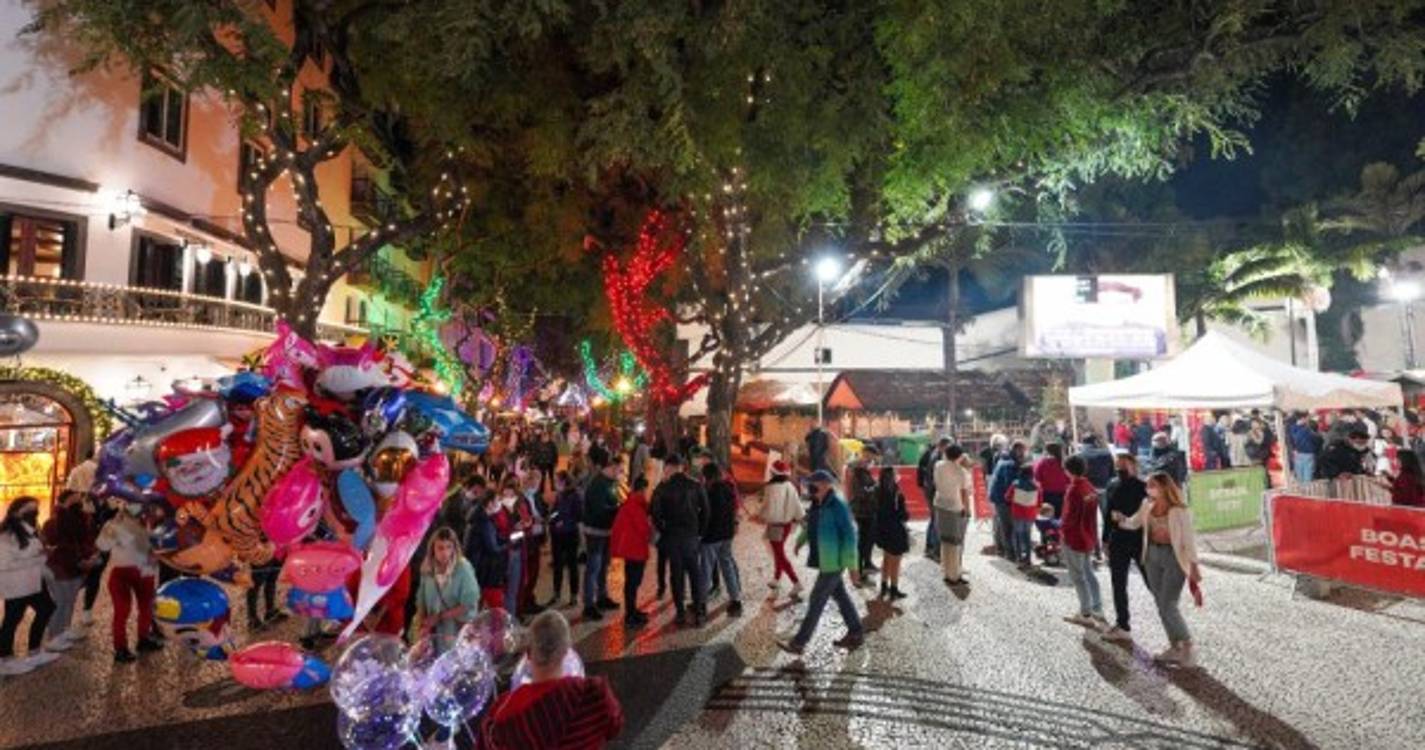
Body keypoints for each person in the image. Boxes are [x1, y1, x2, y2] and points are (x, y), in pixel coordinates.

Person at [483, 611, 624, 749]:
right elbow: (614, 727)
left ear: (528, 653)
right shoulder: (595, 695)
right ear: (566, 652)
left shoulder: (501, 714)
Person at [1112, 472, 1203, 667]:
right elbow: (1134, 523)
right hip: (1151, 556)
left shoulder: (1180, 510)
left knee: (1168, 603)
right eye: (1148, 485)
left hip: (1174, 557)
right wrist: (1122, 519)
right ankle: (1174, 647)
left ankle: (1187, 645)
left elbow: (1189, 540)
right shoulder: (1147, 505)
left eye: (1153, 485)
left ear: (1164, 487)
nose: (1149, 488)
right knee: (1161, 604)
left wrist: (1194, 566)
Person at [778, 470, 864, 654]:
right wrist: (800, 542)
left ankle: (799, 643)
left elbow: (850, 536)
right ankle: (856, 632)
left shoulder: (838, 506)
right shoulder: (818, 504)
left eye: (814, 484)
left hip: (834, 562)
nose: (811, 488)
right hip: (825, 559)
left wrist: (853, 567)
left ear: (825, 485)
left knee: (816, 599)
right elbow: (811, 525)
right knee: (840, 595)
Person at [96, 499, 163, 663]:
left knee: (147, 608)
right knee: (122, 610)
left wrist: (158, 552)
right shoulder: (116, 524)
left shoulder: (150, 522)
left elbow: (157, 544)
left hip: (146, 570)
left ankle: (143, 639)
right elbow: (102, 545)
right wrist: (111, 530)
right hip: (122, 572)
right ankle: (120, 648)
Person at [0, 497, 60, 675]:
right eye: (30, 510)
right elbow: (3, 564)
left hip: (33, 582)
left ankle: (34, 651)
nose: (35, 512)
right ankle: (5, 660)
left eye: (36, 509)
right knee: (12, 620)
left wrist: (42, 554)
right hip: (17, 585)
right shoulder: (7, 535)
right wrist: (37, 559)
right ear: (18, 513)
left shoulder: (31, 530)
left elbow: (33, 551)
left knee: (47, 608)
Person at [650, 454, 709, 627]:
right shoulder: (695, 485)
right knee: (695, 574)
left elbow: (655, 514)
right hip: (691, 537)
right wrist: (700, 533)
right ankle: (699, 613)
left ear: (668, 467)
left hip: (673, 537)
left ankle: (681, 614)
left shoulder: (663, 488)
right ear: (682, 467)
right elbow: (706, 510)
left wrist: (664, 530)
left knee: (676, 576)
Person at [40, 490, 96, 650]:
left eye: (79, 501)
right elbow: (51, 544)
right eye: (74, 501)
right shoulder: (53, 522)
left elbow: (86, 541)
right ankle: (53, 636)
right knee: (60, 602)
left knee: (70, 602)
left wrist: (88, 557)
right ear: (63, 502)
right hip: (60, 568)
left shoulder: (83, 519)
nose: (78, 503)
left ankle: (64, 630)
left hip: (76, 567)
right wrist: (81, 558)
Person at [1101, 453, 1147, 642]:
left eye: (1124, 465)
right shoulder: (1111, 485)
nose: (1120, 468)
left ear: (1133, 466)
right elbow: (1108, 513)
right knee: (1118, 584)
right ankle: (1122, 624)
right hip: (1118, 540)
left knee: (1151, 581)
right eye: (1117, 465)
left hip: (1139, 540)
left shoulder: (1143, 487)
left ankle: (1169, 619)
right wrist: (1105, 540)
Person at [415, 527, 478, 653]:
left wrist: (439, 617)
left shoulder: (463, 568)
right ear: (433, 549)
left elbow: (469, 603)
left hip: (456, 629)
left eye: (449, 547)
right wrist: (422, 626)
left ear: (455, 547)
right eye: (440, 548)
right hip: (434, 631)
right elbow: (421, 600)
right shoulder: (427, 568)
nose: (445, 553)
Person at [1061, 456, 1106, 628]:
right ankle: (1097, 607)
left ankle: (1085, 612)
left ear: (1068, 470)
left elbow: (1068, 517)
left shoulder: (1073, 490)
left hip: (1074, 538)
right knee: (1088, 572)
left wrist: (1062, 533)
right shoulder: (1088, 486)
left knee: (1078, 576)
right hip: (1088, 535)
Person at [580, 452, 623, 622]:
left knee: (604, 565)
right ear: (610, 467)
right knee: (593, 567)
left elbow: (612, 501)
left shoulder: (610, 482)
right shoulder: (598, 484)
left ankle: (602, 597)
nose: (620, 474)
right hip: (595, 531)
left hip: (606, 531)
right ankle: (589, 605)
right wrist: (618, 510)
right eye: (619, 470)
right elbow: (599, 510)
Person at [700, 462, 744, 617]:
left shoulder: (708, 492)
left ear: (707, 477)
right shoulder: (729, 488)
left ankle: (701, 604)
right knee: (727, 565)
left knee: (705, 569)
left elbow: (706, 516)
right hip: (727, 535)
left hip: (711, 537)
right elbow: (734, 510)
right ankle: (736, 601)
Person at [610, 477, 654, 626]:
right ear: (643, 490)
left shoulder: (632, 503)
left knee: (632, 582)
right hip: (635, 550)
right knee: (633, 583)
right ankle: (630, 616)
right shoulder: (635, 505)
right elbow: (644, 529)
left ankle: (633, 610)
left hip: (631, 550)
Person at [760, 460, 805, 595]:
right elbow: (798, 508)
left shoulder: (771, 488)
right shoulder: (790, 486)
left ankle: (796, 582)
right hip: (786, 525)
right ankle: (777, 579)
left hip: (775, 526)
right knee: (778, 552)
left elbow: (769, 511)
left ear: (773, 472)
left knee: (779, 555)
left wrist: (759, 517)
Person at [933, 444, 973, 586]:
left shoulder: (938, 465)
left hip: (940, 505)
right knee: (955, 542)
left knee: (945, 541)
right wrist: (967, 510)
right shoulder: (961, 471)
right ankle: (954, 575)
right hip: (955, 507)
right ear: (960, 456)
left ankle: (945, 570)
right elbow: (964, 493)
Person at [466, 490, 511, 611]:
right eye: (497, 501)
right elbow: (493, 548)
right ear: (490, 503)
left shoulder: (479, 516)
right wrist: (508, 544)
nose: (499, 504)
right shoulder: (484, 522)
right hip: (483, 568)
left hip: (477, 566)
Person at [872, 466, 909, 599]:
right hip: (895, 530)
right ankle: (894, 589)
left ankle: (883, 586)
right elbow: (903, 515)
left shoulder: (876, 490)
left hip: (881, 529)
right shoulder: (896, 493)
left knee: (886, 558)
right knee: (896, 561)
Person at [547, 470, 582, 608]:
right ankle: (556, 593)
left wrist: (565, 522)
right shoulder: (559, 496)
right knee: (557, 565)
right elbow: (555, 512)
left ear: (565, 482)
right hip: (557, 534)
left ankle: (573, 595)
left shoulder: (575, 496)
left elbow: (579, 515)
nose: (555, 484)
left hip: (570, 534)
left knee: (572, 565)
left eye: (557, 481)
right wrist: (553, 519)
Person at [987, 441, 1026, 559]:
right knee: (1008, 526)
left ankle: (1003, 549)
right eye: (1022, 451)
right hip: (1003, 499)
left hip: (998, 497)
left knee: (1002, 525)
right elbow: (1010, 485)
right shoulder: (1010, 465)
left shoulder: (1003, 460)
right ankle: (1010, 553)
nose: (1023, 454)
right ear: (1017, 450)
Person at [517, 470, 548, 616]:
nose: (535, 484)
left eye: (538, 481)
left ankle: (530, 599)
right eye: (533, 481)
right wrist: (534, 520)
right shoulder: (520, 499)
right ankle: (523, 603)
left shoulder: (536, 497)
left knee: (534, 572)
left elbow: (541, 511)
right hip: (526, 540)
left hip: (536, 537)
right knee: (526, 574)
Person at [917, 438, 950, 560]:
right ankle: (936, 551)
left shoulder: (933, 454)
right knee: (937, 521)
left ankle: (930, 547)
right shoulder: (938, 457)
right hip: (933, 492)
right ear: (943, 446)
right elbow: (937, 479)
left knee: (933, 519)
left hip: (929, 490)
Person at [847, 462, 878, 580]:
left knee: (867, 542)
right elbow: (861, 494)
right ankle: (859, 572)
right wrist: (873, 489)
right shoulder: (858, 476)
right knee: (862, 543)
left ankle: (865, 566)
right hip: (863, 513)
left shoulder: (863, 474)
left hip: (866, 512)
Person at [1009, 464, 1040, 569]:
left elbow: (1007, 497)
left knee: (1017, 535)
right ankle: (1028, 558)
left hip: (1017, 513)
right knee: (1027, 536)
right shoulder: (1037, 486)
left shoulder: (1015, 484)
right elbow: (1039, 502)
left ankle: (1019, 558)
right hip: (1030, 514)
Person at [1033, 442, 1070, 519]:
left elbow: (1037, 478)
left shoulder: (1042, 462)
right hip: (1062, 494)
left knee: (1046, 519)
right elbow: (1069, 479)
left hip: (1047, 494)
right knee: (1060, 518)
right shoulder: (1064, 463)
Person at [1288, 414, 1324, 484]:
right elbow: (1318, 443)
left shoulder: (1294, 430)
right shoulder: (1310, 433)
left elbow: (1292, 441)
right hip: (1309, 454)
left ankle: (1301, 491)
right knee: (1308, 480)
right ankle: (1306, 490)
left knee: (1300, 478)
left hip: (1298, 454)